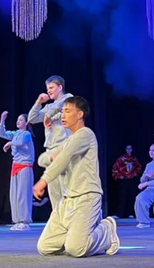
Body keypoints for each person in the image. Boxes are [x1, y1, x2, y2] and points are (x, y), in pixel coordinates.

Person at [32, 96, 119, 258]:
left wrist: (43, 181)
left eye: (67, 111)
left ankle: (106, 231)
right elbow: (43, 159)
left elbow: (65, 156)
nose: (63, 115)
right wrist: (52, 156)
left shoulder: (86, 134)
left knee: (76, 249)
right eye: (62, 111)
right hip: (67, 201)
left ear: (80, 114)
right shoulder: (68, 141)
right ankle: (77, 234)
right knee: (45, 247)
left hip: (86, 197)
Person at [28, 76, 74, 215]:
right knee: (54, 191)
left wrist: (48, 116)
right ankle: (59, 221)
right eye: (47, 88)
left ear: (60, 87)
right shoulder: (48, 107)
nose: (48, 91)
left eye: (51, 87)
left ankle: (71, 221)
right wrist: (39, 102)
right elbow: (31, 118)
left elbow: (59, 106)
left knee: (66, 187)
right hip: (50, 150)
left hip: (63, 147)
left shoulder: (68, 99)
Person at [0, 111, 35, 230]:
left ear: (26, 123)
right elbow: (2, 134)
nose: (18, 122)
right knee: (14, 194)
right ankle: (17, 220)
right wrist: (2, 120)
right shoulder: (16, 133)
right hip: (15, 166)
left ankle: (24, 221)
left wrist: (10, 143)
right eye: (17, 120)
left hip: (25, 167)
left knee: (23, 194)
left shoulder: (26, 134)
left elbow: (21, 142)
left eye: (21, 120)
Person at [111, 146, 142, 219]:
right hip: (123, 180)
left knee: (131, 196)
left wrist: (135, 174)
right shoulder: (121, 159)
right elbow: (115, 168)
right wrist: (119, 176)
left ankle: (130, 213)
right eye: (127, 148)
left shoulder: (134, 159)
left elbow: (139, 168)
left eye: (130, 148)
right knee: (122, 197)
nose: (129, 150)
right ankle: (119, 213)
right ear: (125, 149)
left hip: (132, 180)